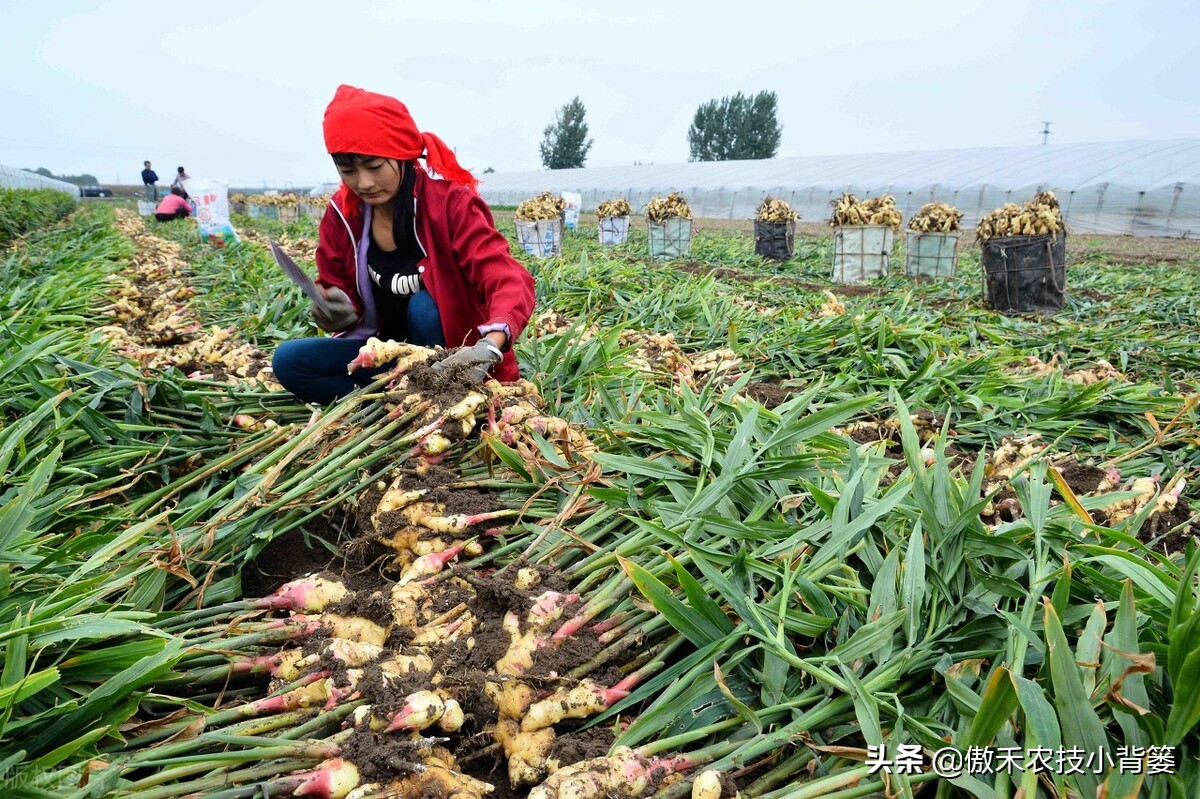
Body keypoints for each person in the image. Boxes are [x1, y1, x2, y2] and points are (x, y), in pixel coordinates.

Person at [271, 85, 535, 406]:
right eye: (348, 169)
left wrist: (490, 346)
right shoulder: (343, 214)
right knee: (289, 360)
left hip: (452, 358)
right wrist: (334, 308)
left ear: (401, 154)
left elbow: (505, 276)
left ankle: (436, 395)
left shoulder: (451, 205)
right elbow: (337, 284)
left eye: (374, 166)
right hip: (385, 353)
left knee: (424, 308)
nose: (363, 182)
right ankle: (399, 403)